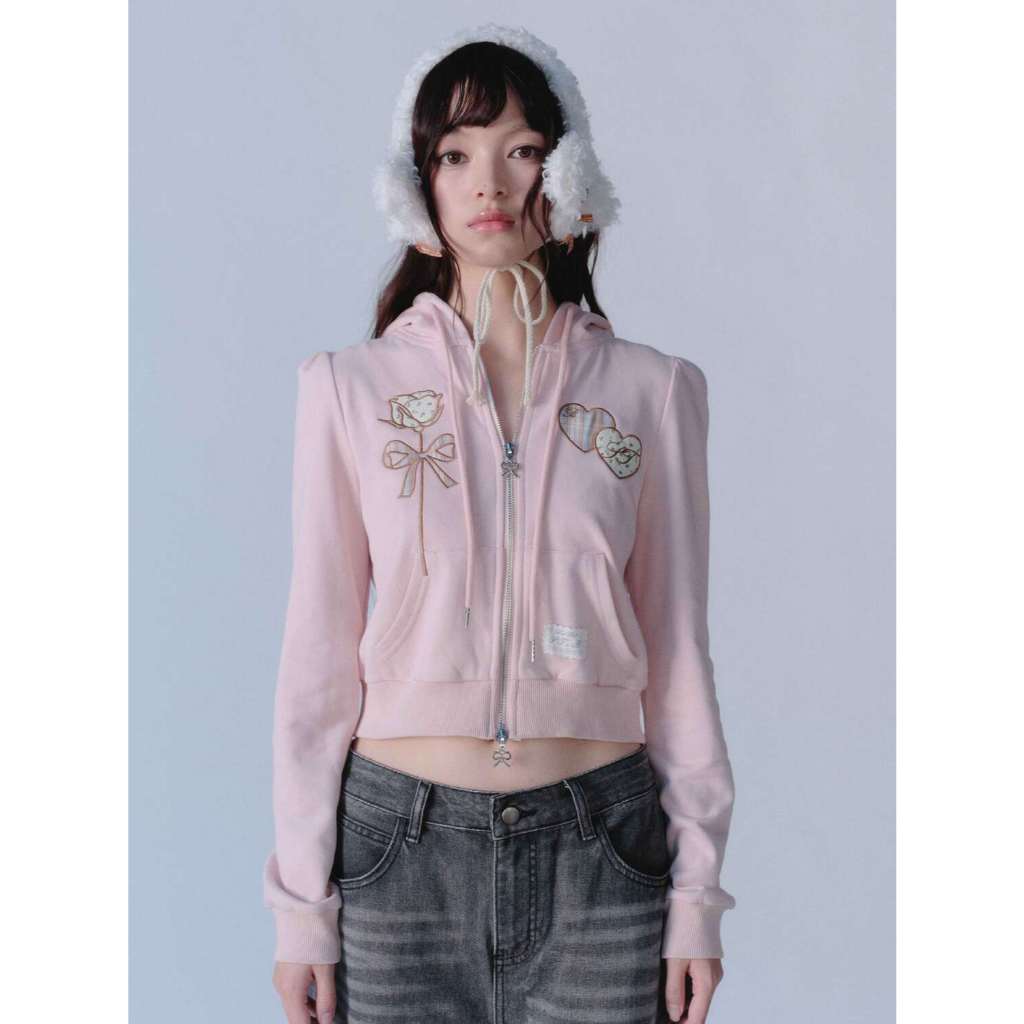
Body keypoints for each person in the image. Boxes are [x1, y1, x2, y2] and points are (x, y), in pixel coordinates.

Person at [263, 23, 737, 1024]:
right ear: (418, 186)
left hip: (602, 854)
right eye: (454, 154)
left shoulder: (651, 394)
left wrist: (697, 892)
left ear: (567, 174)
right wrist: (301, 907)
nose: (487, 182)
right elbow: (317, 654)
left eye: (520, 149)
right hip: (397, 857)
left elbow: (678, 651)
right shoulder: (349, 391)